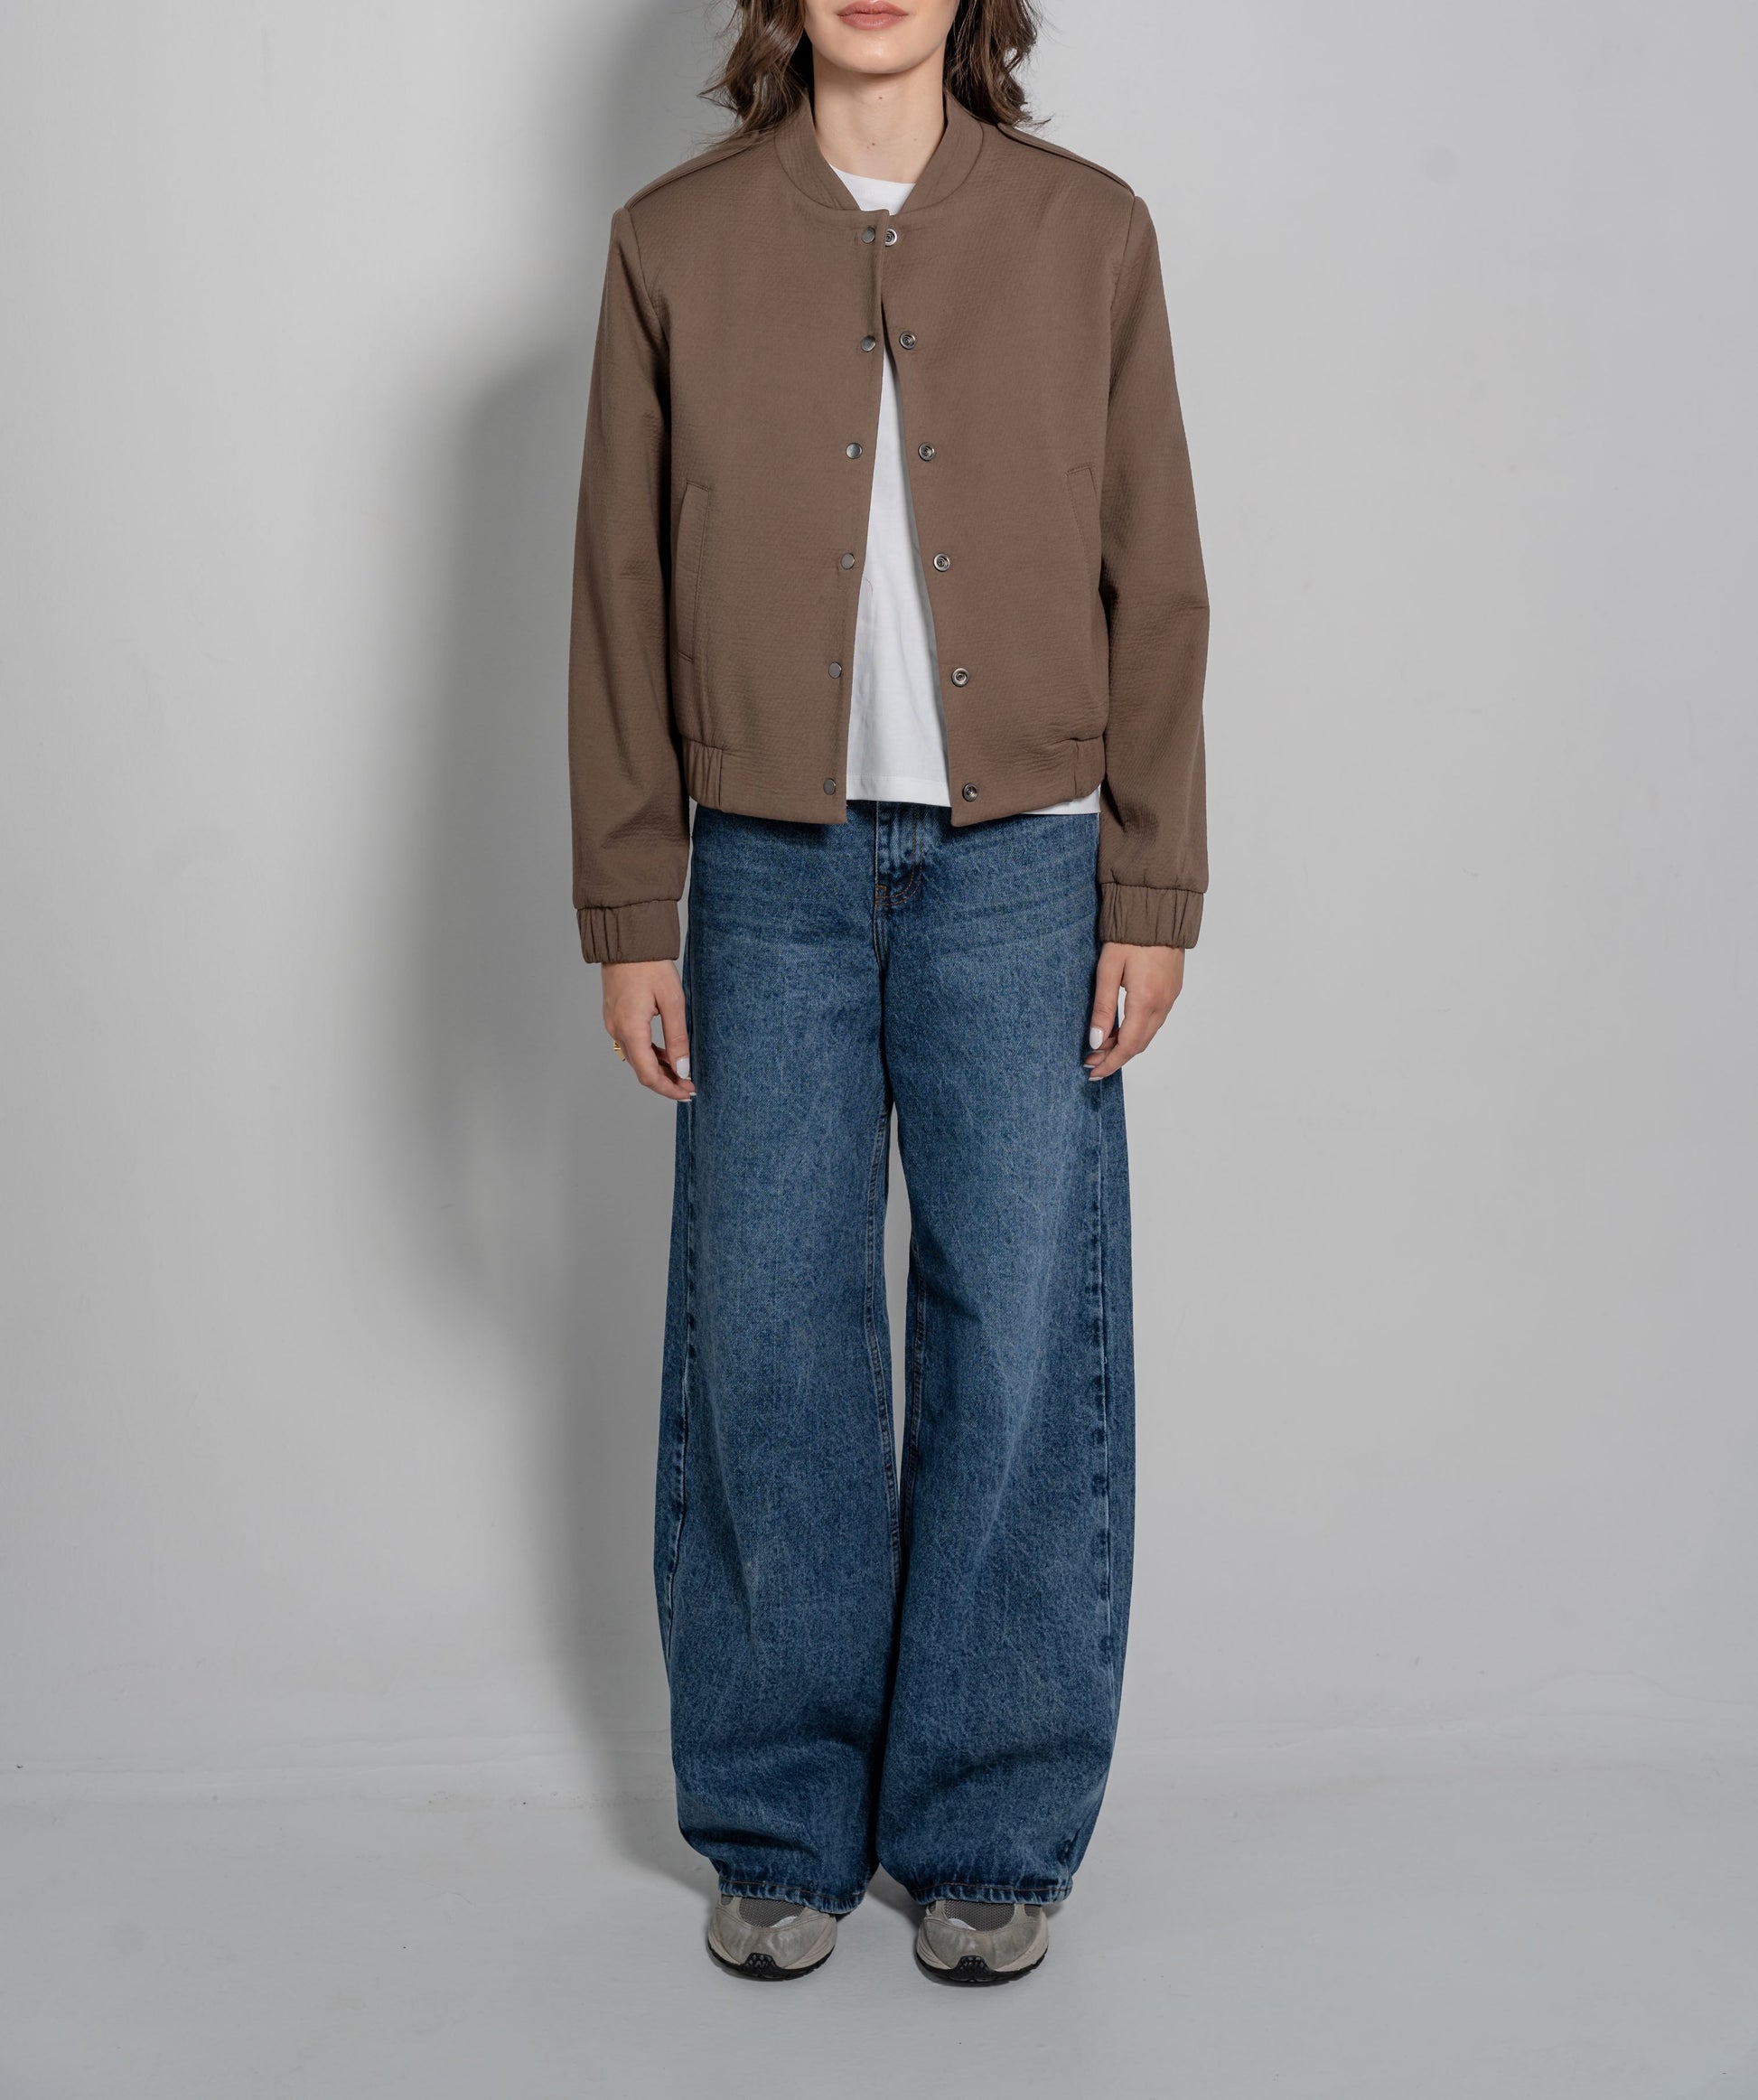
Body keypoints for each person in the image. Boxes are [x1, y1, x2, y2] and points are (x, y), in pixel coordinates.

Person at [568, 0, 1207, 1985]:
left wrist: (1153, 875)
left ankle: (989, 1823)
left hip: (1026, 865)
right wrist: (633, 902)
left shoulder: (1089, 234)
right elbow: (614, 596)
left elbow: (1159, 572)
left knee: (1019, 1329)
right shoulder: (670, 245)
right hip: (763, 872)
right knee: (768, 1330)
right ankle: (776, 1818)